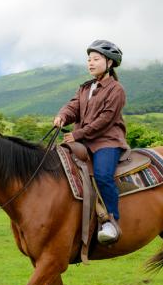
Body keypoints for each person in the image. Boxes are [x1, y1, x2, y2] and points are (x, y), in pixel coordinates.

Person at [53, 39, 129, 244]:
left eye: (96, 59)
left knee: (103, 176)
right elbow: (73, 106)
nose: (91, 63)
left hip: (106, 141)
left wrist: (78, 135)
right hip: (84, 140)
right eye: (89, 59)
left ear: (110, 63)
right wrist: (62, 116)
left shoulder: (116, 90)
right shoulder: (85, 88)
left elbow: (105, 120)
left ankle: (111, 222)